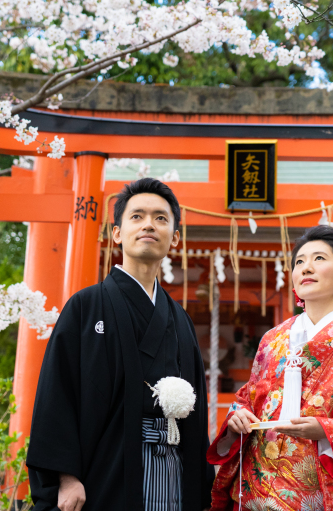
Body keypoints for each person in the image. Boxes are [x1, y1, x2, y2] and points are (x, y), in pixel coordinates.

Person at [27, 178, 213, 511]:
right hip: (107, 469)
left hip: (173, 467)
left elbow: (196, 418)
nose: (149, 225)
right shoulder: (85, 307)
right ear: (116, 233)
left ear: (175, 238)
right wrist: (65, 477)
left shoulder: (180, 320)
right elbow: (58, 394)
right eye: (137, 216)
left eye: (160, 218)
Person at [207, 225, 333, 511]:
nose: (306, 268)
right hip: (262, 487)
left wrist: (328, 430)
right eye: (299, 262)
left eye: (319, 259)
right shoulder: (272, 339)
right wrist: (237, 418)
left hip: (322, 486)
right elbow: (247, 399)